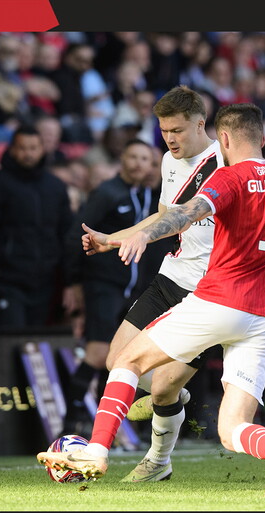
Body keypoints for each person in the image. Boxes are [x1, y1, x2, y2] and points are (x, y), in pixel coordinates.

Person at [38, 102, 265, 498]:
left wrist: (142, 236)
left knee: (128, 360)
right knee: (232, 429)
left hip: (217, 301)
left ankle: (97, 452)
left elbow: (185, 214)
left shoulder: (229, 177)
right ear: (263, 139)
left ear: (223, 138)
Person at [66, 86, 225, 483]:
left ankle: (157, 461)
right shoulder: (170, 163)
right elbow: (162, 217)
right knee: (115, 361)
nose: (169, 139)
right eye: (163, 130)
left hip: (208, 293)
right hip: (171, 276)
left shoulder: (225, 164)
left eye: (177, 130)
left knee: (161, 390)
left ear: (200, 124)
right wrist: (113, 239)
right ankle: (152, 447)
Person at [61, 138, 159, 430]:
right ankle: (71, 420)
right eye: (134, 157)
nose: (139, 164)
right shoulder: (107, 192)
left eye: (146, 159)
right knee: (98, 353)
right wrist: (74, 282)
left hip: (132, 290)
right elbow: (76, 236)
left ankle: (107, 429)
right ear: (123, 160)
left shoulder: (148, 196)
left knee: (120, 357)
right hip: (103, 285)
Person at [0, 125, 76, 327]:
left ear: (42, 149)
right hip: (6, 282)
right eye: (22, 148)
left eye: (33, 148)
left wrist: (70, 282)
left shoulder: (56, 187)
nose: (28, 154)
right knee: (13, 344)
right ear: (12, 149)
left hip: (45, 283)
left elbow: (66, 237)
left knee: (36, 347)